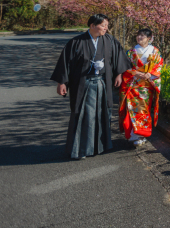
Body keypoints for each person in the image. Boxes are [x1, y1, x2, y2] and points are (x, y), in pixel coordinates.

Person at [51, 14, 130, 159]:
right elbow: (66, 63)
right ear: (92, 26)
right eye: (103, 25)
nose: (106, 28)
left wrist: (119, 74)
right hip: (83, 84)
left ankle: (98, 147)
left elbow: (118, 57)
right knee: (84, 115)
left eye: (107, 25)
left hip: (102, 83)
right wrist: (61, 82)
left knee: (101, 114)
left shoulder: (110, 40)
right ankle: (80, 150)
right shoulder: (76, 42)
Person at [118, 28, 163, 147]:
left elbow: (159, 65)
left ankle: (141, 134)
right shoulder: (131, 52)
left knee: (143, 110)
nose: (139, 38)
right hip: (133, 85)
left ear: (149, 38)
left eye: (142, 36)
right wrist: (135, 73)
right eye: (138, 35)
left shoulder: (155, 51)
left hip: (146, 86)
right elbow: (125, 66)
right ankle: (133, 135)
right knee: (132, 109)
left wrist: (150, 74)